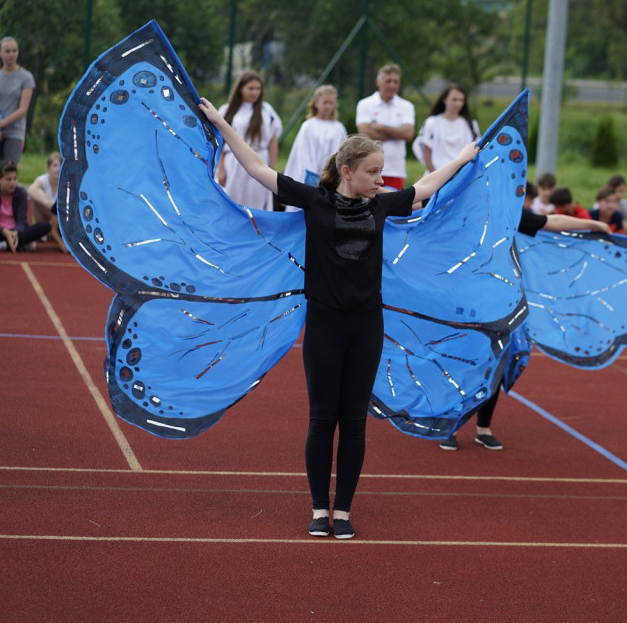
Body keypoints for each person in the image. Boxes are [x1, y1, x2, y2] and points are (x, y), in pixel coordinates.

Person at [200, 96, 479, 540]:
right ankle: (317, 507)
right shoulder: (314, 202)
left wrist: (464, 157)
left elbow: (426, 187)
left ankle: (344, 511)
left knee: (353, 421)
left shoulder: (382, 206)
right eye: (372, 172)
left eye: (382, 172)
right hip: (326, 325)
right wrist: (220, 123)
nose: (380, 179)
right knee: (321, 417)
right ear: (347, 171)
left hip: (367, 325)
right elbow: (255, 168)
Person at [440, 209, 612, 452]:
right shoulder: (462, 207)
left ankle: (483, 428)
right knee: (463, 363)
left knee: (497, 363)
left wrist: (591, 223)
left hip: (502, 302)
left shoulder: (507, 209)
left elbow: (550, 221)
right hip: (464, 301)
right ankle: (450, 425)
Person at [215, 71, 282, 211]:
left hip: (259, 160)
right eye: (251, 88)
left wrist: (271, 170)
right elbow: (220, 141)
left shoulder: (266, 110)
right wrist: (221, 168)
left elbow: (272, 142)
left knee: (256, 205)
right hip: (234, 161)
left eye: (258, 88)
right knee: (232, 203)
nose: (255, 92)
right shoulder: (227, 111)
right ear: (240, 88)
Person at [281, 84, 346, 202]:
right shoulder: (309, 126)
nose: (328, 106)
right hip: (311, 177)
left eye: (331, 103)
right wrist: (313, 177)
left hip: (331, 178)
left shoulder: (339, 128)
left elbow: (341, 152)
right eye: (325, 102)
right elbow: (304, 153)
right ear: (316, 103)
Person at [355, 63, 414, 189]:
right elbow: (365, 133)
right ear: (378, 82)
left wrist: (381, 127)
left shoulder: (407, 106)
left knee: (393, 207)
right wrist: (398, 133)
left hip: (395, 170)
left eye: (395, 81)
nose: (392, 85)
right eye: (388, 81)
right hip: (369, 168)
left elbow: (408, 134)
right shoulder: (365, 104)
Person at [0, 160, 50, 252]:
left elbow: (22, 220)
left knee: (46, 226)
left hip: (17, 232)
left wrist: (15, 232)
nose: (13, 183)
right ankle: (20, 244)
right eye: (8, 179)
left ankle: (2, 245)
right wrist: (5, 232)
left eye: (15, 179)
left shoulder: (21, 193)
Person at [0, 36, 35, 175]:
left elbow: (23, 109)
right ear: (0, 53)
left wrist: (0, 125)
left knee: (9, 171)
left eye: (14, 51)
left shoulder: (26, 77)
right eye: (7, 51)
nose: (11, 54)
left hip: (14, 130)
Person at [411, 83, 480, 174]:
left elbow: (476, 148)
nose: (458, 104)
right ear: (444, 100)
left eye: (461, 100)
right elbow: (426, 150)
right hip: (436, 175)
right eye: (454, 100)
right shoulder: (432, 122)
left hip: (462, 176)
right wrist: (434, 174)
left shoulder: (470, 124)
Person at [27, 151, 67, 252]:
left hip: (57, 220)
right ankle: (46, 230)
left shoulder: (65, 184)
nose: (58, 169)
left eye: (60, 166)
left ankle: (56, 232)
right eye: (55, 165)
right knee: (37, 195)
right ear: (48, 167)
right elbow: (31, 190)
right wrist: (48, 203)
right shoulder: (42, 180)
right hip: (44, 217)